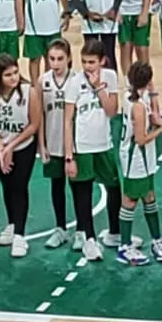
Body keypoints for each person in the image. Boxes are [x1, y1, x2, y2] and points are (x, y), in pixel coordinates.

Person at [64, 39, 119, 262]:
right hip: (82, 146)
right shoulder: (75, 82)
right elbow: (68, 120)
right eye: (84, 62)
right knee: (83, 191)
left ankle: (114, 232)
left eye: (92, 62)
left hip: (104, 144)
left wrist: (98, 88)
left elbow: (112, 111)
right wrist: (69, 156)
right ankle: (89, 239)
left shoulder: (111, 78)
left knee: (114, 187)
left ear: (102, 61)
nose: (88, 67)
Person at [0, 53, 42, 259]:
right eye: (8, 75)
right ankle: (11, 223)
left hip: (23, 146)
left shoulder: (28, 92)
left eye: (16, 72)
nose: (14, 77)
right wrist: (0, 147)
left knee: (19, 187)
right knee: (7, 186)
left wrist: (10, 147)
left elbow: (34, 124)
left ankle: (20, 235)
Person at [116, 61, 162, 265]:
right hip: (135, 157)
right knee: (130, 199)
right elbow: (140, 139)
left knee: (149, 195)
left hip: (144, 157)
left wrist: (154, 94)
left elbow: (154, 114)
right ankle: (124, 246)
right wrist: (161, 130)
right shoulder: (137, 106)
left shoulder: (134, 96)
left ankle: (156, 240)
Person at [38, 41, 78, 252]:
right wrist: (41, 144)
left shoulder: (77, 80)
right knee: (57, 187)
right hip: (53, 143)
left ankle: (81, 231)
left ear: (69, 58)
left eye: (60, 58)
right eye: (52, 58)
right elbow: (40, 115)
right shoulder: (43, 81)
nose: (55, 63)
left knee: (79, 188)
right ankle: (60, 228)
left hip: (75, 146)